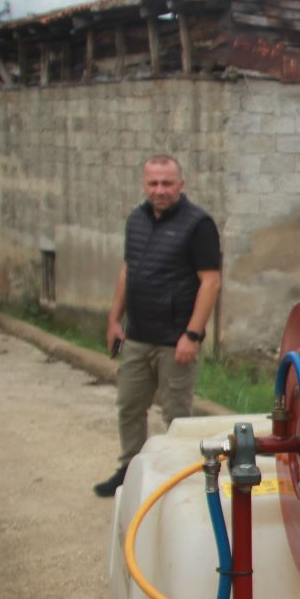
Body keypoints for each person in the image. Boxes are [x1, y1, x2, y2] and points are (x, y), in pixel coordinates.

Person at [93, 155, 222, 498]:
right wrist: (114, 319)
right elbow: (127, 270)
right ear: (143, 184)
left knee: (177, 415)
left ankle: (184, 479)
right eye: (153, 183)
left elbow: (210, 282)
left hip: (175, 340)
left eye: (167, 183)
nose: (160, 190)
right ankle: (130, 470)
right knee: (130, 405)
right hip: (137, 336)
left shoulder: (198, 224)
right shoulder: (136, 220)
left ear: (182, 184)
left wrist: (192, 335)